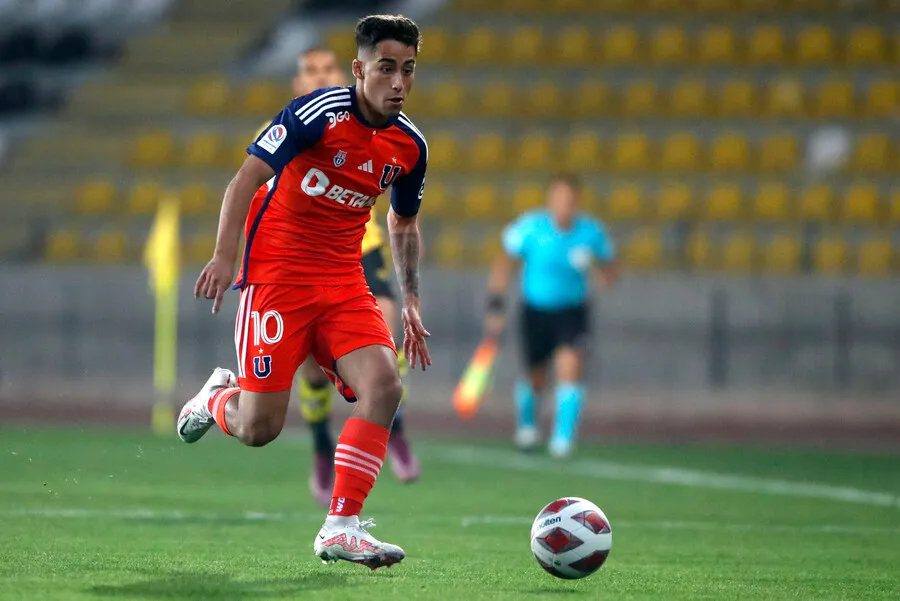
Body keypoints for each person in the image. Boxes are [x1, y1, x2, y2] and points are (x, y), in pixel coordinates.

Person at [177, 14, 430, 570]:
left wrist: (409, 299)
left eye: (408, 71)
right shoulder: (315, 115)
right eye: (386, 68)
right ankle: (217, 397)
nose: (398, 83)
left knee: (385, 385)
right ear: (360, 69)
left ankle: (340, 526)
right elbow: (245, 178)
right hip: (277, 282)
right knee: (259, 429)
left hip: (343, 283)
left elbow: (404, 224)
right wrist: (225, 256)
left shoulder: (409, 147)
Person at [484, 174, 617, 458]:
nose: (563, 205)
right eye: (558, 199)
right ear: (550, 200)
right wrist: (496, 304)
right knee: (536, 375)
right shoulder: (530, 228)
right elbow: (505, 262)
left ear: (576, 202)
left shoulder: (591, 233)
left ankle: (563, 438)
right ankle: (528, 426)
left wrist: (595, 268)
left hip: (572, 311)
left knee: (570, 366)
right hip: (535, 310)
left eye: (569, 200)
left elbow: (610, 271)